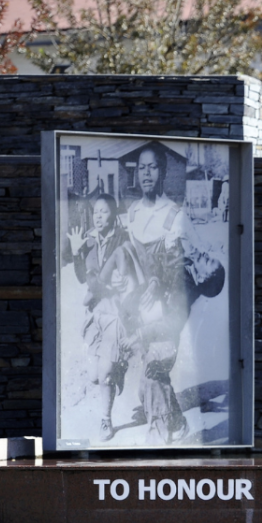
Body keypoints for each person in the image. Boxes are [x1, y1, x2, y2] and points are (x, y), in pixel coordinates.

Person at [118, 143, 196, 444]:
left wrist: (156, 286)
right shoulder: (133, 213)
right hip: (140, 308)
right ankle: (170, 418)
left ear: (161, 172)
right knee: (149, 371)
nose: (146, 173)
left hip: (167, 309)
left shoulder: (174, 216)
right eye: (142, 168)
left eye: (152, 167)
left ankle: (164, 433)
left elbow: (177, 277)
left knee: (154, 369)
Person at [64, 194, 131, 441]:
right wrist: (76, 253)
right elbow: (83, 278)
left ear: (113, 213)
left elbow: (130, 273)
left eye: (104, 212)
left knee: (104, 374)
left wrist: (123, 281)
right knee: (94, 375)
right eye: (96, 212)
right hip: (94, 311)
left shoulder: (123, 239)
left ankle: (106, 420)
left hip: (115, 312)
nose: (99, 216)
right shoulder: (89, 241)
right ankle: (116, 369)